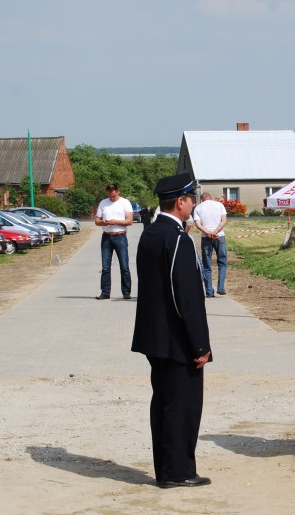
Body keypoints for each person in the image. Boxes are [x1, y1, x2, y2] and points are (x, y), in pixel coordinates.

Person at [131, 172, 212, 489]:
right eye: (191, 198)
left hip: (155, 338)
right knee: (183, 408)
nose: (193, 203)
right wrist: (200, 345)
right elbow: (186, 298)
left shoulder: (150, 233)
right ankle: (179, 471)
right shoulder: (177, 239)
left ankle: (166, 469)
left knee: (164, 404)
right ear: (180, 202)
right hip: (178, 340)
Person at [94, 183, 133, 300]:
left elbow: (129, 221)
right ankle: (105, 292)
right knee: (105, 267)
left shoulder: (125, 203)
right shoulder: (103, 203)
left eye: (114, 196)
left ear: (118, 192)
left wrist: (115, 221)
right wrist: (103, 222)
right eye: (110, 196)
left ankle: (126, 292)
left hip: (120, 236)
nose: (112, 198)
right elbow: (97, 220)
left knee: (124, 266)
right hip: (106, 237)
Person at [193, 192, 228, 297]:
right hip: (219, 236)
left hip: (206, 238)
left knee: (207, 264)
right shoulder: (219, 205)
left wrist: (208, 232)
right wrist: (216, 232)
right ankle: (220, 287)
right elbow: (224, 221)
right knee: (222, 262)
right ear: (210, 197)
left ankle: (209, 291)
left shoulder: (198, 208)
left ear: (202, 199)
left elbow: (198, 225)